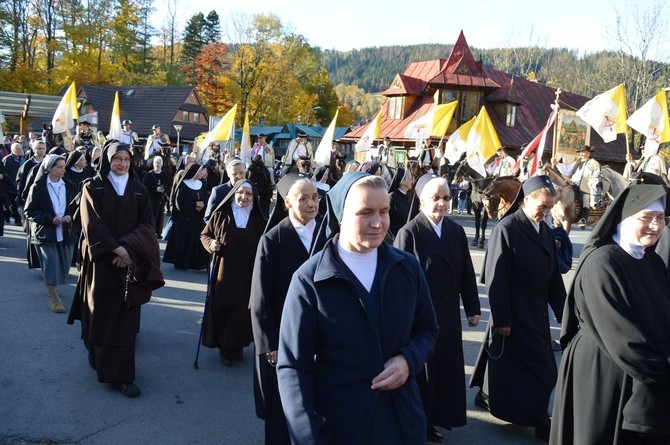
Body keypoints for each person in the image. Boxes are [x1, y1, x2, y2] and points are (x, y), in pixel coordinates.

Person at [277, 172, 439, 445]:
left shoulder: (407, 267)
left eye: (384, 211)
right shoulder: (309, 280)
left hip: (402, 421)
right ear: (340, 216)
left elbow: (428, 329)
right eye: (365, 212)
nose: (378, 223)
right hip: (341, 426)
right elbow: (294, 368)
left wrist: (408, 360)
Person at [550, 184, 670, 444]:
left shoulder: (652, 261)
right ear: (625, 218)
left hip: (639, 368)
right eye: (646, 218)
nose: (655, 226)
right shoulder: (603, 263)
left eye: (660, 218)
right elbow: (621, 336)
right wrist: (663, 369)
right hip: (602, 371)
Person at [469, 175, 566, 443]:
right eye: (543, 207)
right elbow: (496, 278)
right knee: (541, 370)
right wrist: (502, 318)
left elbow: (554, 276)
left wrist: (566, 313)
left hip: (536, 310)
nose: (546, 213)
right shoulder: (507, 229)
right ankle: (538, 419)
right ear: (527, 200)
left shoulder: (545, 230)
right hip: (514, 309)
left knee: (524, 367)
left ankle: (489, 396)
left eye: (549, 208)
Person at [67, 140, 164, 398]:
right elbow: (91, 224)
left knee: (124, 316)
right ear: (108, 160)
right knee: (100, 310)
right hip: (101, 261)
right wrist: (114, 249)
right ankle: (96, 353)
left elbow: (147, 227)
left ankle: (121, 374)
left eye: (126, 159)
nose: (122, 164)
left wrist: (129, 250)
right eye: (117, 158)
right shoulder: (93, 186)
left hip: (127, 263)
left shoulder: (139, 190)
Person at [394, 174, 480, 443]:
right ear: (422, 200)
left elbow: (466, 271)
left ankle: (437, 418)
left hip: (449, 314)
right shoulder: (409, 233)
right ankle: (419, 421)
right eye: (436, 198)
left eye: (446, 198)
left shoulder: (455, 231)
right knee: (423, 372)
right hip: (420, 316)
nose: (442, 203)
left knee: (445, 369)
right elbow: (398, 282)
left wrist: (472, 307)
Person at [250, 173, 321, 445]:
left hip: (320, 334)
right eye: (303, 198)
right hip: (283, 337)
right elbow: (259, 298)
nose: (312, 204)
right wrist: (269, 344)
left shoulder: (328, 235)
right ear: (287, 203)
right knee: (283, 406)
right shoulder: (272, 240)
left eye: (315, 197)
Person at [200, 180, 266, 365]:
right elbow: (205, 235)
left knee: (241, 309)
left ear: (254, 197)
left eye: (249, 194)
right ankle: (225, 347)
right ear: (233, 194)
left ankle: (235, 346)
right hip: (224, 271)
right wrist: (211, 244)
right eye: (240, 193)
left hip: (249, 273)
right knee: (225, 307)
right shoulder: (221, 214)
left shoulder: (259, 218)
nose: (244, 197)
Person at [24, 154, 78, 313]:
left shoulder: (69, 185)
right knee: (51, 264)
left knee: (64, 266)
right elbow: (30, 211)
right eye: (59, 167)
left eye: (64, 167)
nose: (63, 170)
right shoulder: (38, 187)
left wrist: (70, 216)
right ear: (49, 168)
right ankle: (55, 300)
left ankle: (51, 285)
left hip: (66, 232)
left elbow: (75, 207)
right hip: (46, 232)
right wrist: (50, 219)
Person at [163, 163, 209, 270]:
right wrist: (195, 205)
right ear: (194, 172)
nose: (201, 173)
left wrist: (203, 204)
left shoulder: (202, 183)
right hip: (185, 220)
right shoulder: (183, 185)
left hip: (198, 219)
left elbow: (206, 197)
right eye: (199, 171)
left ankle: (197, 264)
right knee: (185, 243)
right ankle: (182, 263)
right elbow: (179, 203)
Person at [553, 145, 600, 227]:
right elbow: (568, 170)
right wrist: (556, 163)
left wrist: (573, 181)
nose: (581, 154)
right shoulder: (579, 162)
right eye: (580, 152)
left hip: (586, 184)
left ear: (589, 153)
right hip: (574, 183)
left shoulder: (593, 163)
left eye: (583, 152)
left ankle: (583, 218)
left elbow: (588, 175)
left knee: (585, 197)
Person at [143, 156, 171, 238]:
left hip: (161, 198)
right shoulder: (149, 175)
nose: (157, 165)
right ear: (153, 164)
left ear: (162, 164)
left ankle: (158, 232)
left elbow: (169, 186)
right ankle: (150, 231)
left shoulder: (164, 175)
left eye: (159, 163)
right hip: (151, 199)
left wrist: (163, 189)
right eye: (156, 163)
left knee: (160, 216)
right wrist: (155, 189)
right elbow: (145, 187)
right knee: (152, 216)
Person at [385, 167, 414, 243]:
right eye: (410, 179)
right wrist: (391, 238)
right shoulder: (392, 197)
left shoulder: (409, 196)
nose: (412, 181)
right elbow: (385, 219)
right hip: (395, 240)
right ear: (402, 181)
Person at [2, 142, 24, 225]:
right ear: (13, 150)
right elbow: (5, 173)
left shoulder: (22, 159)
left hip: (20, 184)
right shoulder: (8, 159)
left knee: (15, 203)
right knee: (14, 203)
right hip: (10, 186)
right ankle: (18, 220)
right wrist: (10, 181)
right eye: (18, 149)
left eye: (21, 149)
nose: (20, 151)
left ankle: (6, 215)